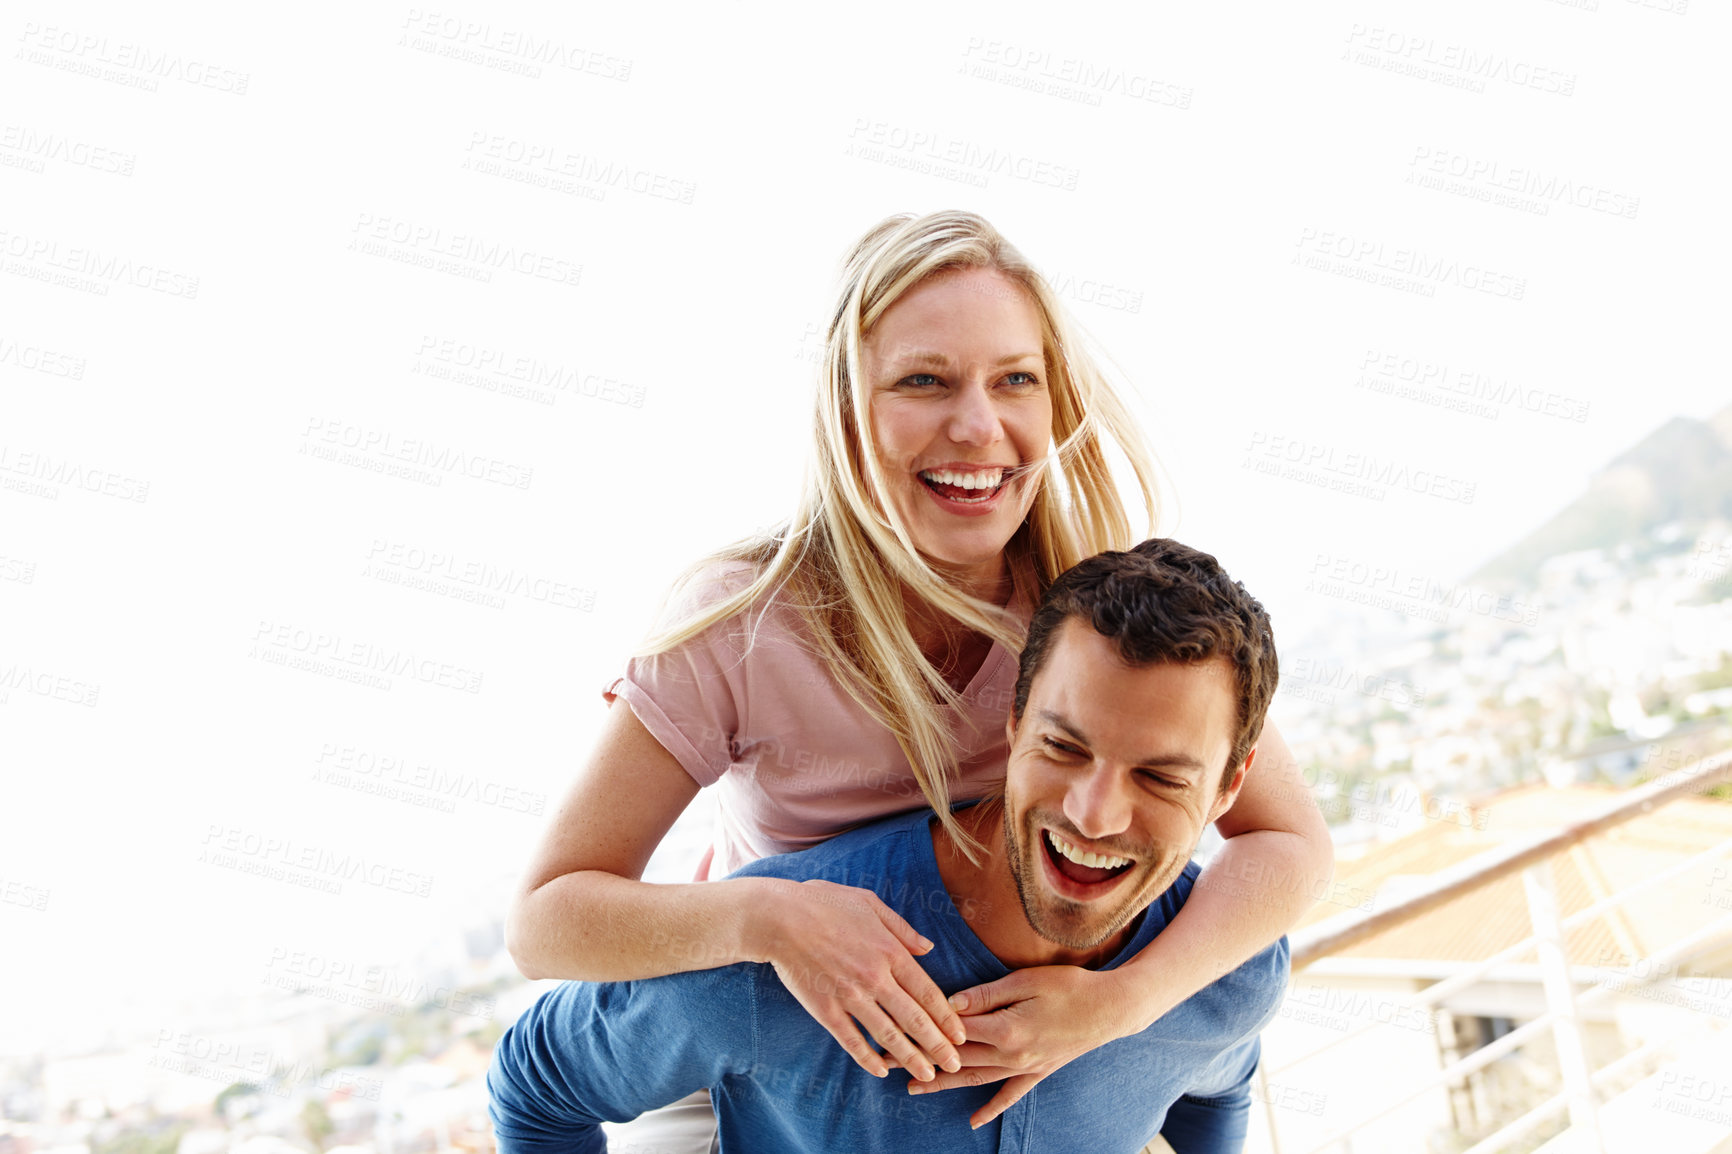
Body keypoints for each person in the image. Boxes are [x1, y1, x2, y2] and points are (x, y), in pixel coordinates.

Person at [504, 211, 1331, 1143]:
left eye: (1014, 379)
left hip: (995, 1031)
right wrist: (771, 921)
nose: (978, 426)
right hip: (767, 1041)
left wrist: (1121, 1005)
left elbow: (1286, 842)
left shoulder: (1084, 610)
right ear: (849, 408)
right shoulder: (741, 625)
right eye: (924, 381)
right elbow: (546, 922)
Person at [490, 539, 1290, 1153]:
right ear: (1012, 724)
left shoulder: (1229, 973)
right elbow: (535, 1086)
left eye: (1160, 776)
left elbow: (1218, 1082)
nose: (1095, 815)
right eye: (1064, 747)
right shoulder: (784, 977)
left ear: (1229, 788)